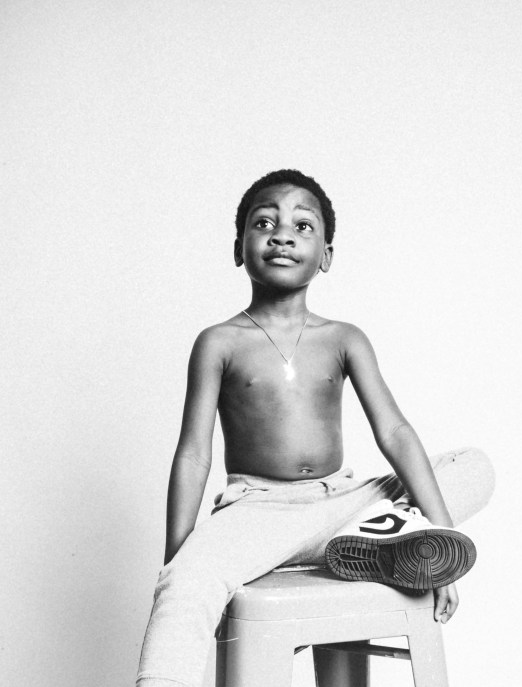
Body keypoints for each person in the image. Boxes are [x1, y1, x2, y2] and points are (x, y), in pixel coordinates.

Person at [136, 169, 494, 687]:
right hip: (258, 515)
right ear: (239, 248)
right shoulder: (218, 342)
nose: (282, 235)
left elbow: (394, 432)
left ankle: (379, 541)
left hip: (342, 508)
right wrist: (180, 558)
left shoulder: (344, 338)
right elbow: (194, 454)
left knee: (473, 467)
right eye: (265, 223)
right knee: (186, 585)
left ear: (326, 255)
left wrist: (444, 541)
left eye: (302, 226)